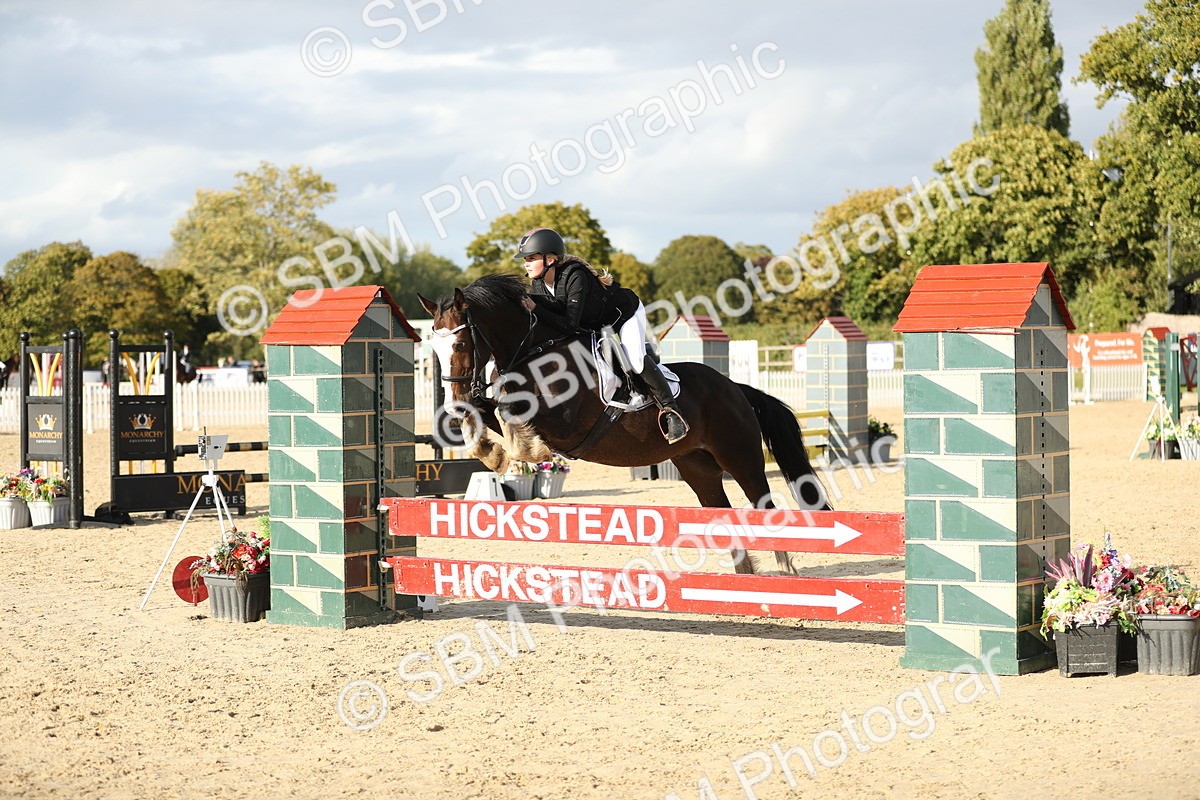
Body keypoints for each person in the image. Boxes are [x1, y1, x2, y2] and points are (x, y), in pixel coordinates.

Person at [514, 227, 689, 444]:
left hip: (625, 314)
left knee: (635, 359)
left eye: (531, 258)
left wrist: (536, 309)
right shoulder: (538, 284)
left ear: (550, 259)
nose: (526, 263)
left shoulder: (575, 276)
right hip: (592, 326)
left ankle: (672, 411)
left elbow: (568, 324)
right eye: (525, 259)